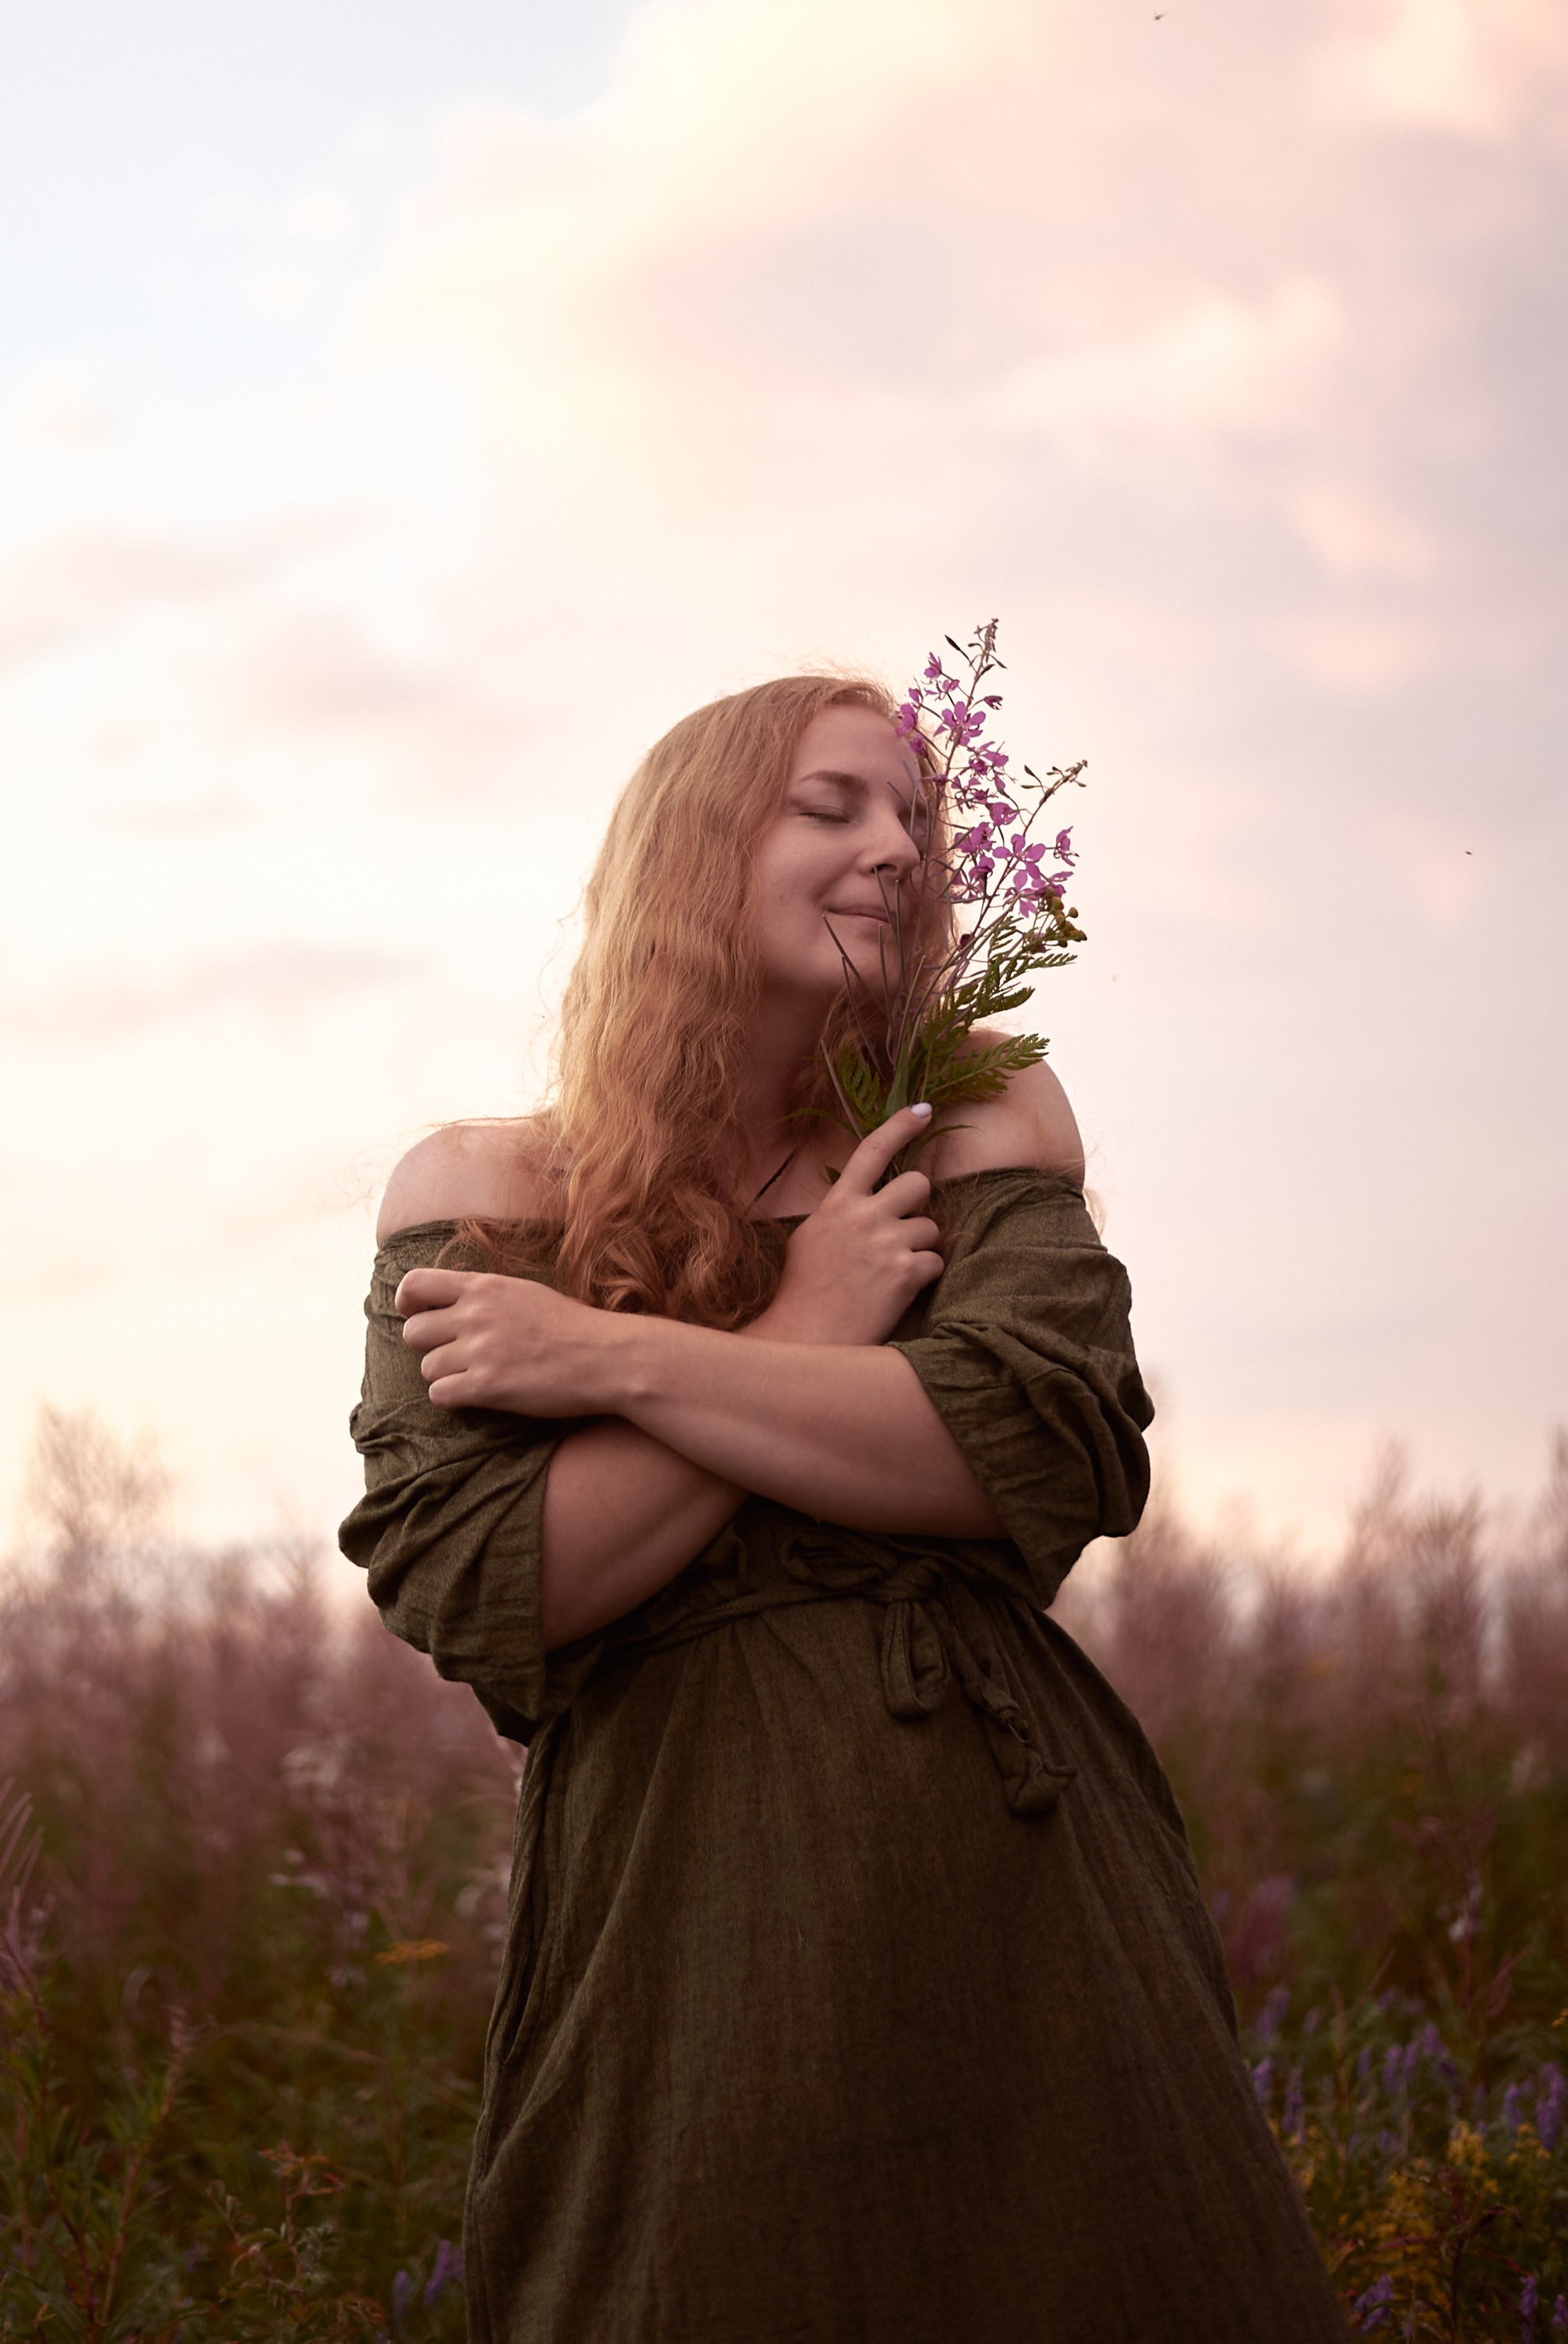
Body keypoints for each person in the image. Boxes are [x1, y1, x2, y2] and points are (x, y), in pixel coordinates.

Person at [339, 673, 1346, 2343]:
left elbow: (1025, 1444)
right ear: (691, 850)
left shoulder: (973, 1121)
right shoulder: (476, 1191)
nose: (894, 847)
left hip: (1011, 1864)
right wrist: (810, 1333)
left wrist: (607, 1360)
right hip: (680, 1881)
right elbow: (499, 1576)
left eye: (917, 820)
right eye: (831, 808)